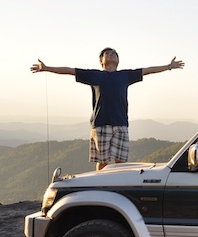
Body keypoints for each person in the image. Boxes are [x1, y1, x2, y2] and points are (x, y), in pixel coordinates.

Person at [31, 47, 185, 170]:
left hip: (121, 123)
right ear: (101, 61)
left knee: (121, 162)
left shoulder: (125, 75)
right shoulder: (94, 75)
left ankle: (118, 186)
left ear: (118, 60)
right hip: (101, 123)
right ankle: (100, 186)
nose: (110, 55)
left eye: (113, 53)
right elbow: (70, 71)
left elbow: (148, 70)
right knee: (103, 162)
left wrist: (169, 66)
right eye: (107, 53)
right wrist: (47, 68)